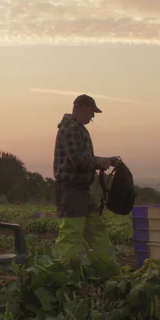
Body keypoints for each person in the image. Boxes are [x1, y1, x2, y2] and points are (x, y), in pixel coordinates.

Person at [51, 94, 121, 275]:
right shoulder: (70, 129)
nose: (93, 116)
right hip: (71, 190)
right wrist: (99, 162)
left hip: (82, 190)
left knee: (97, 232)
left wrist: (106, 160)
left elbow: (85, 158)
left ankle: (109, 271)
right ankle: (65, 274)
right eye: (92, 112)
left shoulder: (78, 129)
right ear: (81, 107)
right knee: (71, 235)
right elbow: (77, 159)